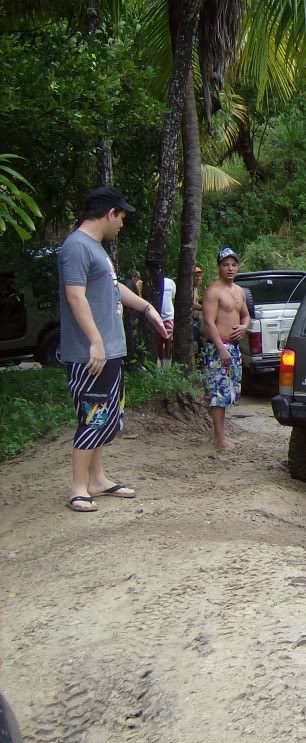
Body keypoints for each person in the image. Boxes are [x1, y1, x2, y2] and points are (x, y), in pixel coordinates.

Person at [58, 186, 170, 512]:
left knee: (105, 417)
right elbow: (75, 296)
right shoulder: (76, 248)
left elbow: (113, 287)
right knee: (93, 417)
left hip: (107, 352)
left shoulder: (95, 249)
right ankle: (79, 487)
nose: (122, 224)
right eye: (121, 217)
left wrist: (147, 309)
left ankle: (97, 479)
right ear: (109, 214)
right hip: (90, 354)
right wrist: (95, 340)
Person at [202, 247, 250, 450]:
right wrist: (221, 348)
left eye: (233, 264)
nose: (230, 268)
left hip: (234, 349)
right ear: (219, 267)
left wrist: (244, 327)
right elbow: (208, 322)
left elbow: (246, 315)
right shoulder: (213, 291)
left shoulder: (239, 291)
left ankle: (221, 437)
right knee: (217, 393)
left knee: (228, 392)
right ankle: (219, 439)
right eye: (225, 265)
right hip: (218, 349)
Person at [157, 275, 176, 368]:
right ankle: (161, 364)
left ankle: (167, 364)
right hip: (157, 316)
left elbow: (173, 299)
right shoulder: (154, 281)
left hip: (169, 316)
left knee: (168, 340)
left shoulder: (171, 283)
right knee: (159, 342)